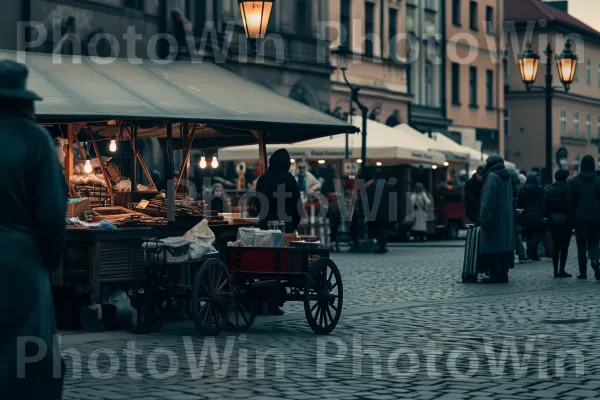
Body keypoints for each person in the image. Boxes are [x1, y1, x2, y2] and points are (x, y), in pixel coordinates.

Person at [0, 61, 66, 399]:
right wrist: (50, 260)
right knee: (29, 359)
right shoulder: (36, 140)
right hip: (22, 266)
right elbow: (53, 214)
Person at [479, 155, 515, 283]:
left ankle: (495, 275)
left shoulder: (492, 177)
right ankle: (503, 274)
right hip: (505, 218)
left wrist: (484, 217)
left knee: (493, 246)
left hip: (494, 217)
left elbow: (488, 199)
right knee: (504, 247)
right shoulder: (507, 177)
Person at [568, 155, 600, 280]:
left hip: (580, 216)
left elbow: (570, 201)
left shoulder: (573, 181)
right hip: (596, 216)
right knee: (594, 241)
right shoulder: (598, 181)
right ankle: (595, 260)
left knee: (581, 244)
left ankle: (583, 272)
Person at [255, 149, 302, 233]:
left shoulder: (262, 179)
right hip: (286, 227)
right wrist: (292, 226)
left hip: (265, 228)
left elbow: (258, 205)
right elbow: (297, 206)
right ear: (286, 164)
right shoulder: (289, 179)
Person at [543, 170, 573, 278]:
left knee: (555, 246)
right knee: (564, 247)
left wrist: (546, 218)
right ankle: (562, 270)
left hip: (553, 220)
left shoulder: (549, 190)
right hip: (567, 220)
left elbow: (545, 206)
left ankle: (555, 270)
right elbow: (572, 206)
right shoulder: (570, 189)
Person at [519, 172, 545, 261]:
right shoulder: (540, 189)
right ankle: (533, 254)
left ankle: (529, 253)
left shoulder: (523, 189)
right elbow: (543, 202)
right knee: (536, 235)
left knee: (528, 235)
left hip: (526, 215)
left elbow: (520, 203)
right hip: (538, 215)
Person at [366, 168, 392, 253]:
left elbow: (368, 199)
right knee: (384, 229)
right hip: (386, 211)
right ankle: (383, 246)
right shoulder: (388, 185)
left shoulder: (372, 185)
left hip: (374, 211)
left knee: (376, 229)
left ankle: (378, 246)